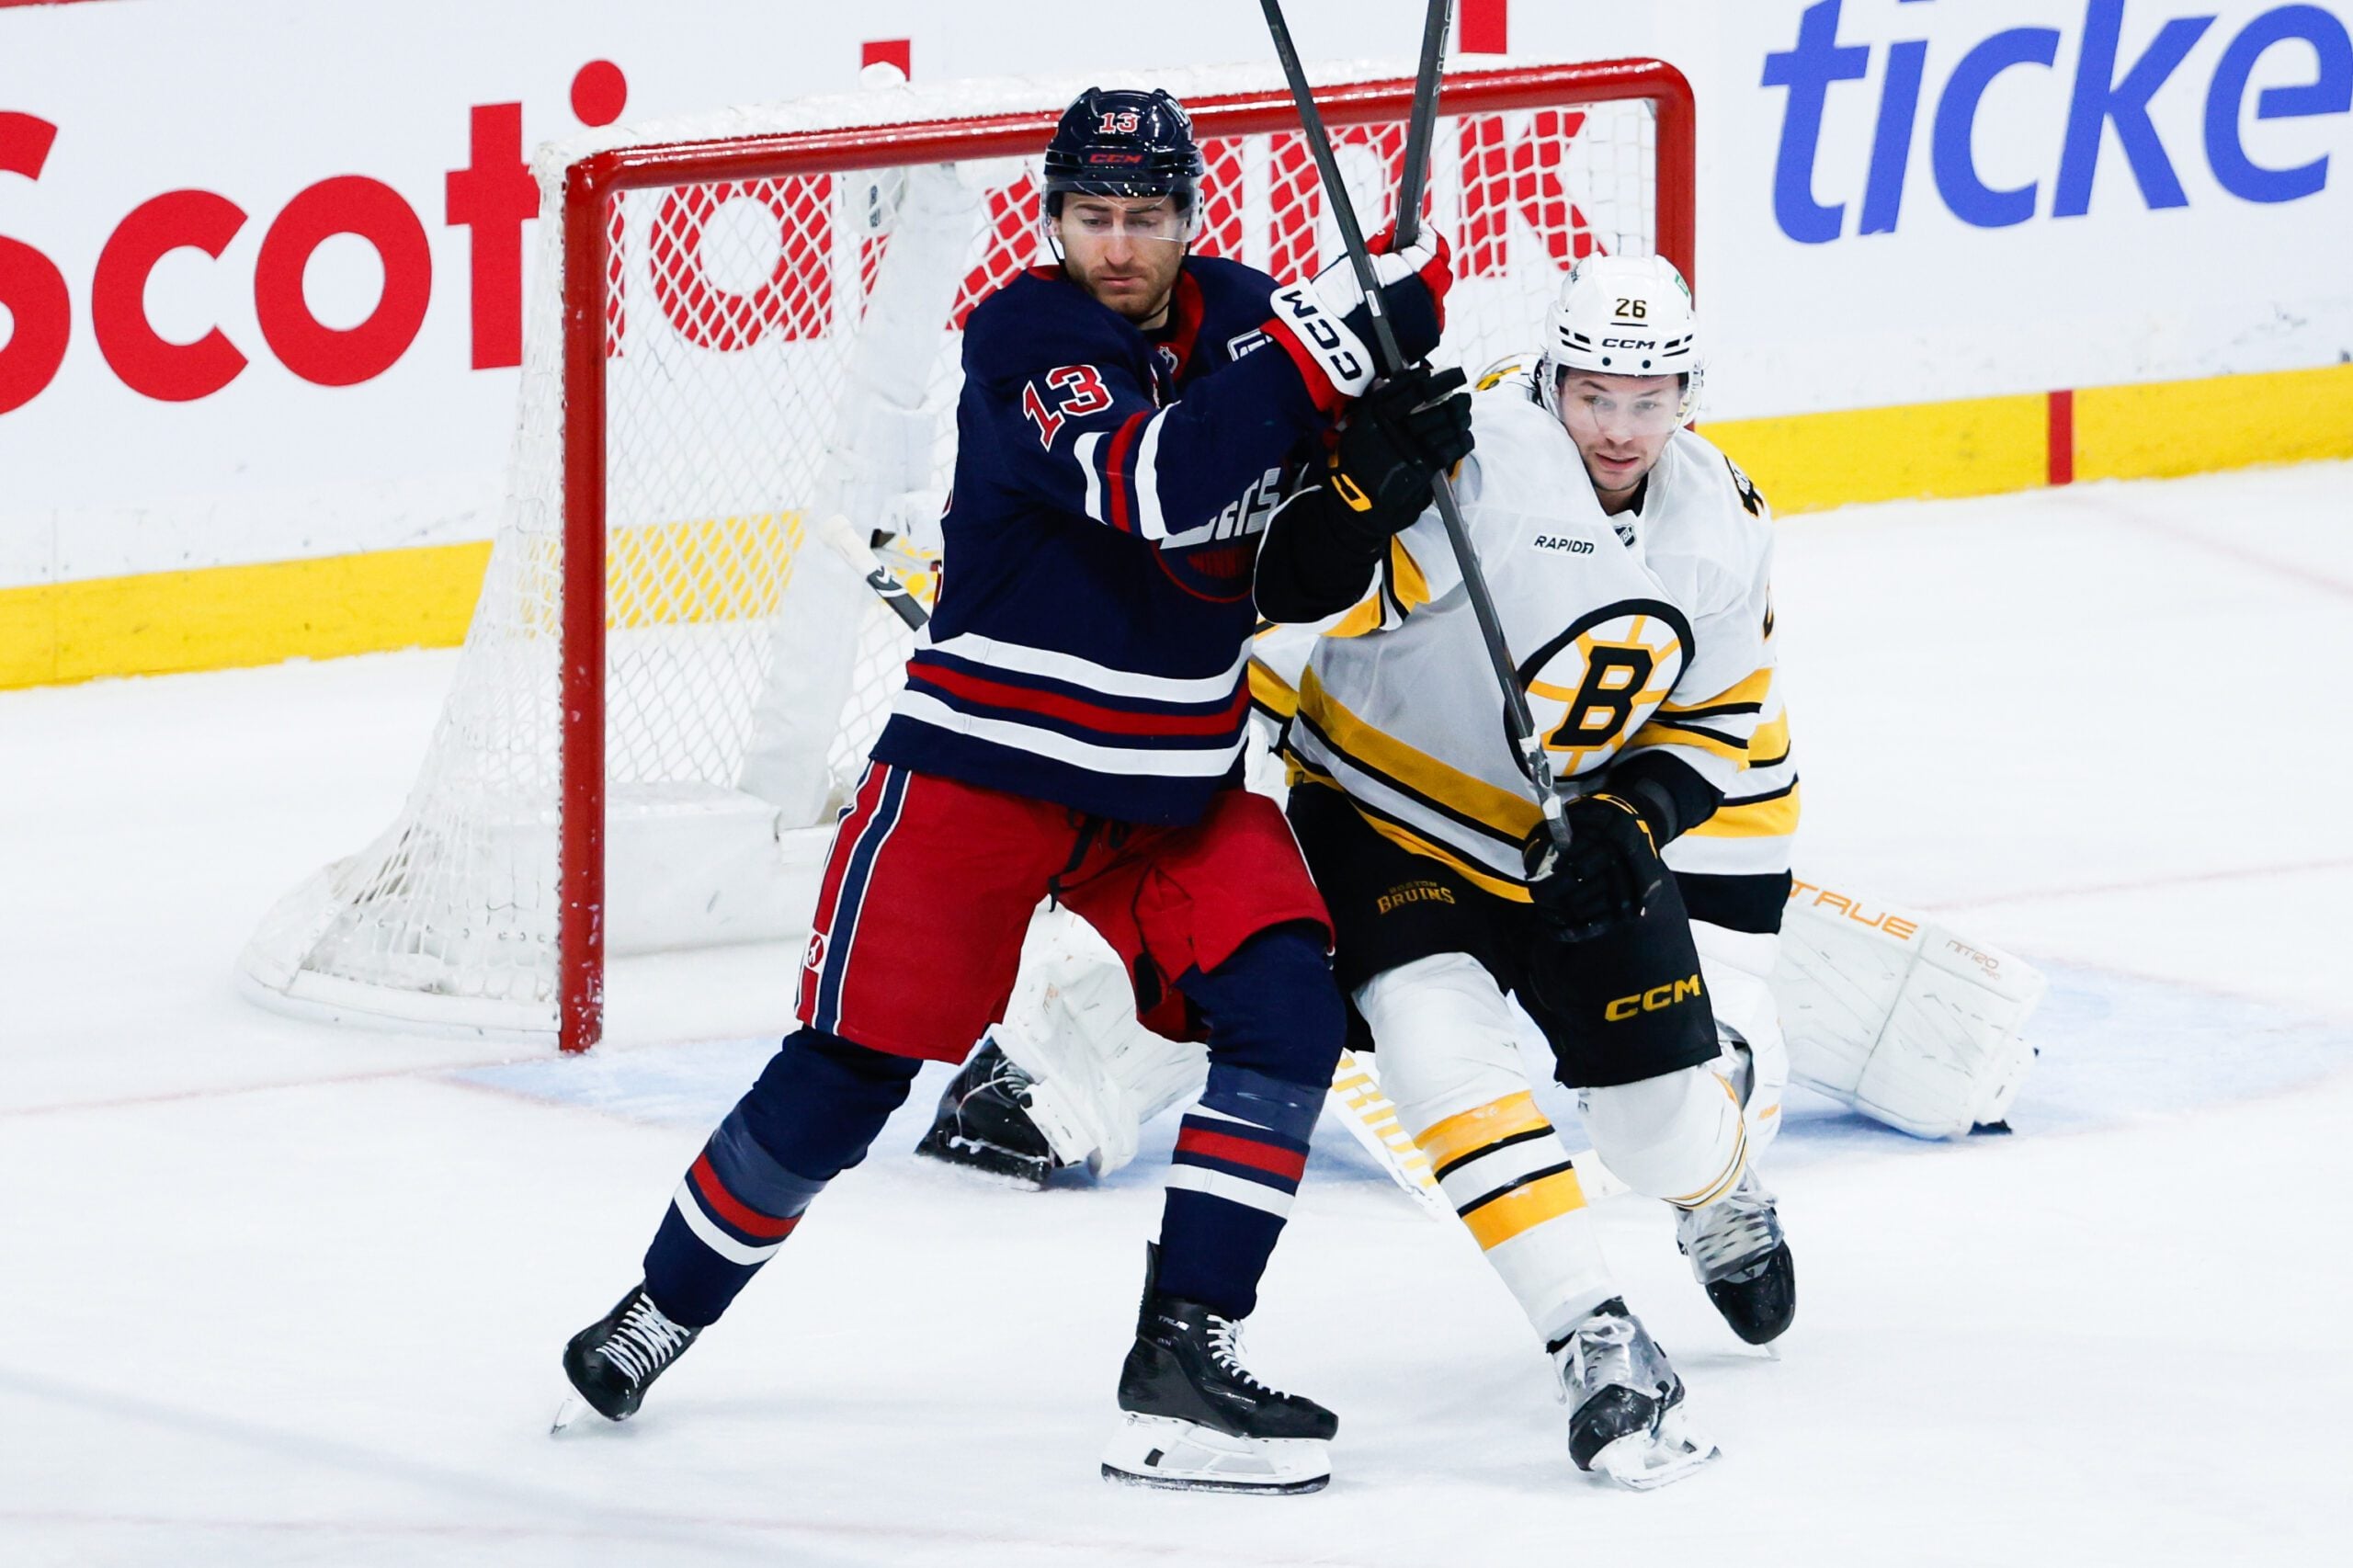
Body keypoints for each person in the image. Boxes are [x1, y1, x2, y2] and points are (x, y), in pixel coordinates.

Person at [551, 85, 1467, 1497]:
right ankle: (665, 1302)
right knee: (848, 1077)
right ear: (1052, 216)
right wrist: (1322, 352)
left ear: (1188, 217)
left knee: (1287, 1005)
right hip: (984, 773)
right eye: (1092, 216)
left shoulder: (1246, 316)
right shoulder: (1023, 332)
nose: (1117, 245)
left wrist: (1375, 462)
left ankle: (1185, 1346)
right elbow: (1156, 484)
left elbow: (1289, 570)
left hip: (1168, 785)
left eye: (1145, 216)